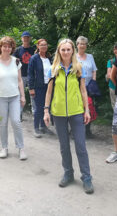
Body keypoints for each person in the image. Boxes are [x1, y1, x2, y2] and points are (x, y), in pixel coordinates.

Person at [43, 39, 94, 194]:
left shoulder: (79, 68)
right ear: (59, 51)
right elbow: (49, 92)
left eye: (68, 49)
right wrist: (46, 110)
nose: (65, 52)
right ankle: (68, 173)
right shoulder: (53, 69)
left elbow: (83, 90)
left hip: (76, 112)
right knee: (64, 146)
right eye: (63, 50)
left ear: (73, 51)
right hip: (58, 112)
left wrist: (87, 110)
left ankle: (86, 177)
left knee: (81, 146)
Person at [0, 36, 27, 160]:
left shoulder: (16, 62)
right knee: (2, 124)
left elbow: (20, 80)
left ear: (12, 48)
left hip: (14, 97)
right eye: (4, 46)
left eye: (9, 46)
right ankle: (4, 147)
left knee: (16, 122)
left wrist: (23, 96)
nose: (7, 48)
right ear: (0, 47)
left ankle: (21, 148)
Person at [28, 39, 54, 138]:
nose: (44, 46)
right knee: (38, 108)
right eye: (41, 45)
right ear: (38, 46)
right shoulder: (34, 58)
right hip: (38, 86)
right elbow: (30, 74)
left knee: (47, 107)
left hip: (49, 86)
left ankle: (44, 126)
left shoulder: (49, 58)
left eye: (45, 45)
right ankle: (36, 128)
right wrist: (31, 88)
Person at [76, 36, 97, 138]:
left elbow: (94, 70)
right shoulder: (73, 57)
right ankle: (76, 131)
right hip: (76, 86)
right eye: (80, 43)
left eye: (84, 44)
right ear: (77, 45)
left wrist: (94, 82)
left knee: (89, 107)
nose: (82, 45)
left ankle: (88, 130)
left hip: (89, 87)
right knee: (77, 108)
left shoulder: (90, 56)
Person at [14, 31, 36, 120]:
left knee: (33, 95)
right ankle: (19, 114)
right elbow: (12, 61)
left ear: (30, 39)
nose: (26, 39)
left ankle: (35, 114)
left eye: (27, 37)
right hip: (21, 75)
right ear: (21, 39)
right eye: (24, 37)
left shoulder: (33, 50)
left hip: (31, 76)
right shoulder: (18, 50)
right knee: (19, 95)